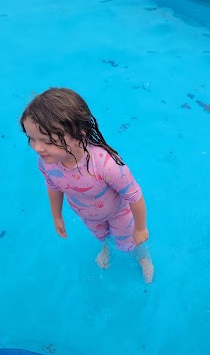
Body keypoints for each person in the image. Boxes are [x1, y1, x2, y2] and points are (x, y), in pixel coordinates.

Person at [20, 87, 154, 283]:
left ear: (79, 136)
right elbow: (53, 187)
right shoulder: (46, 162)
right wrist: (56, 216)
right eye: (31, 139)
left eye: (48, 141)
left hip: (118, 213)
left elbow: (134, 195)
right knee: (101, 236)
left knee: (128, 243)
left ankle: (143, 257)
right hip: (87, 214)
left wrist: (140, 228)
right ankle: (106, 247)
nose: (38, 148)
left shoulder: (105, 165)